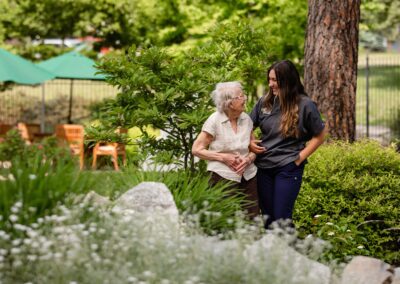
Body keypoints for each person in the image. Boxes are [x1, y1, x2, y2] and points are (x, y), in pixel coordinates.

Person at [249, 60, 327, 228]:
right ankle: (273, 253)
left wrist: (299, 158)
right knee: (268, 220)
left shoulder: (306, 105)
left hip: (288, 167)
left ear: (288, 80)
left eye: (275, 80)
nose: (270, 84)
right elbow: (246, 125)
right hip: (264, 167)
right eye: (269, 79)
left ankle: (289, 252)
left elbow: (320, 135)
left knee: (282, 219)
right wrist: (250, 142)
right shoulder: (264, 103)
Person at [192, 81, 259, 219]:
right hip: (221, 176)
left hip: (248, 175)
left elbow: (254, 148)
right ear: (229, 103)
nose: (245, 98)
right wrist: (224, 157)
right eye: (240, 96)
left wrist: (248, 159)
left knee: (252, 218)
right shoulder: (214, 120)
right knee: (223, 218)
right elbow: (197, 149)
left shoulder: (246, 119)